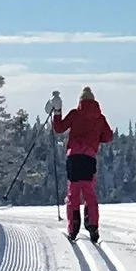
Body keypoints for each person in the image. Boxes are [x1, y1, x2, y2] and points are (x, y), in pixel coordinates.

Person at [51, 85, 115, 241]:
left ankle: (73, 229)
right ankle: (92, 226)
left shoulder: (75, 114)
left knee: (73, 194)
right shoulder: (100, 118)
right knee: (89, 194)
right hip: (89, 159)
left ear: (80, 101)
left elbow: (58, 129)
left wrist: (57, 112)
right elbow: (108, 137)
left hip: (74, 158)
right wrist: (95, 137)